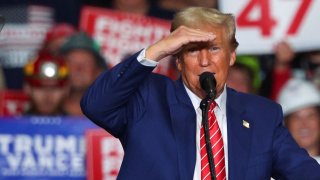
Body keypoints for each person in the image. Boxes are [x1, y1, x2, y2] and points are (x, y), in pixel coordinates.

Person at [81, 7, 320, 179]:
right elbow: (96, 105)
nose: (205, 60)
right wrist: (156, 49)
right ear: (178, 60)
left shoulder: (262, 115)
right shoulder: (148, 97)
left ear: (232, 56)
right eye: (193, 50)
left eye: (215, 48)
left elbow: (304, 172)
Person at [59, 31, 108, 116]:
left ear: (98, 71)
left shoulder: (111, 114)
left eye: (86, 63)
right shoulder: (43, 113)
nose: (79, 69)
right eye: (72, 62)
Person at [278, 78, 320, 163]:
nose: (304, 125)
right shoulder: (270, 173)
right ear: (286, 125)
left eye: (310, 116)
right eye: (296, 118)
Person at [23, 51, 69, 115]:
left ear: (66, 89)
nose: (47, 95)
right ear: (27, 88)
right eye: (40, 87)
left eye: (54, 88)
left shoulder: (79, 124)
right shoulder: (12, 124)